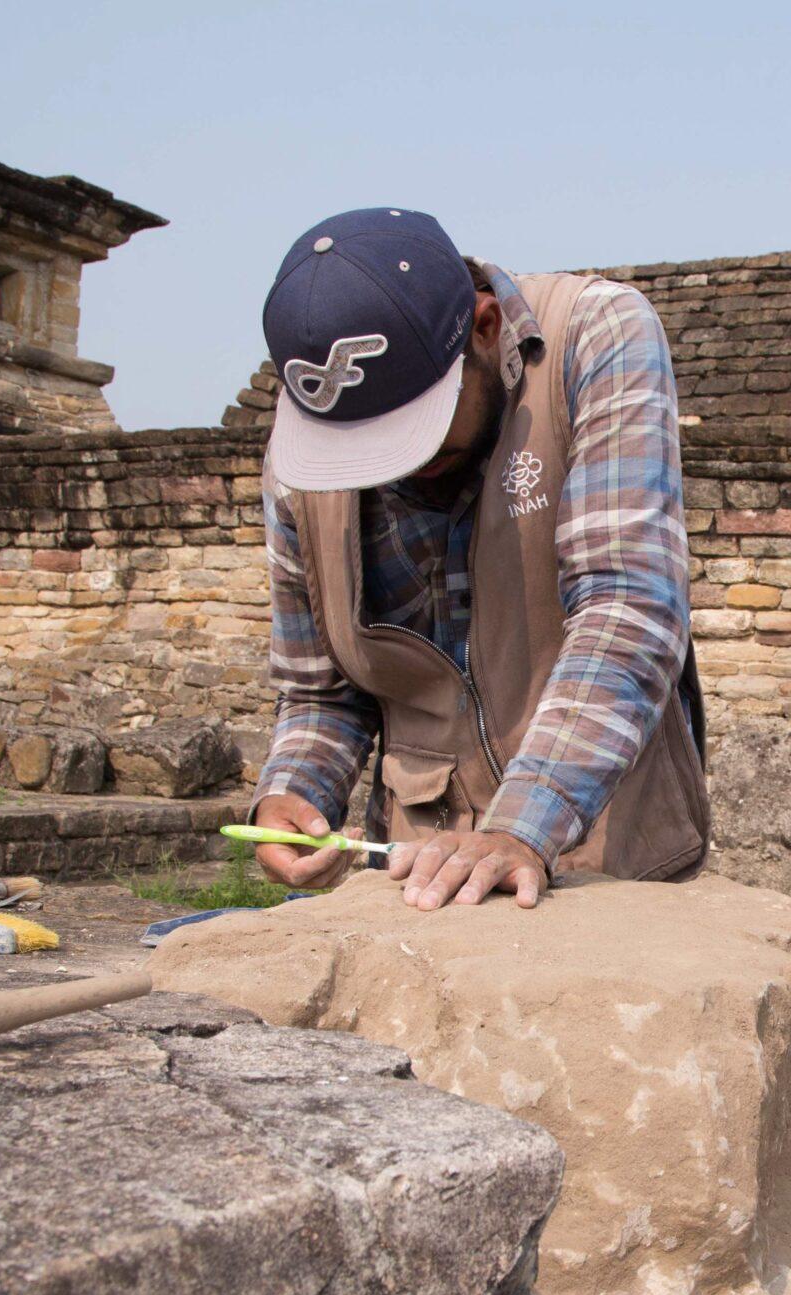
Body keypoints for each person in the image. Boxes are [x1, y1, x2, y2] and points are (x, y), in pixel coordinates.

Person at [246, 207, 709, 910]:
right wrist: (293, 792)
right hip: (417, 881)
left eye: (419, 439)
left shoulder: (596, 336)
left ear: (485, 329)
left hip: (606, 866)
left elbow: (631, 606)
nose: (397, 473)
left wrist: (521, 826)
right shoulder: (303, 455)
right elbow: (322, 690)